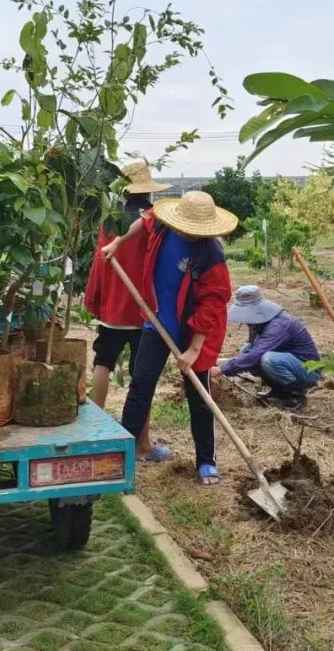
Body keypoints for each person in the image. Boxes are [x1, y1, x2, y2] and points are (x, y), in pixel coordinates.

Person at [102, 191, 236, 486]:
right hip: (156, 324)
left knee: (199, 397)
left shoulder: (210, 254)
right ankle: (123, 455)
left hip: (193, 333)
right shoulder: (163, 225)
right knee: (140, 387)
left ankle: (205, 461)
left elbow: (213, 302)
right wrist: (119, 241)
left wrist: (194, 350)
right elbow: (144, 221)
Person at [84, 159, 171, 461]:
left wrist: (94, 298)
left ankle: (94, 435)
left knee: (103, 362)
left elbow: (99, 260)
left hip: (112, 306)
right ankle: (142, 444)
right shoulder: (155, 221)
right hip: (143, 309)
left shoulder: (111, 219)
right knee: (141, 377)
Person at [210, 285, 321, 409]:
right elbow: (251, 353)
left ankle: (296, 395)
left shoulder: (278, 325)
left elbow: (256, 355)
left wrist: (221, 369)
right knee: (246, 350)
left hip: (308, 370)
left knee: (267, 359)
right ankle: (280, 392)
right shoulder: (257, 324)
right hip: (289, 363)